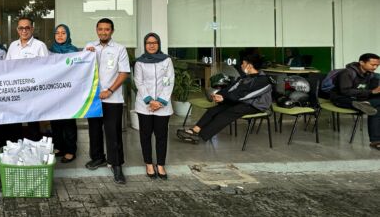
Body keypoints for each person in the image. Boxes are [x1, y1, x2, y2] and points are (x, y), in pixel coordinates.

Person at [177, 53, 272, 143]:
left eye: (243, 63)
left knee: (227, 113)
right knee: (215, 109)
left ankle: (201, 136)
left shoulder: (263, 80)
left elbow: (245, 95)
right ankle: (195, 130)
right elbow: (232, 89)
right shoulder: (245, 77)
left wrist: (224, 99)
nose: (241, 65)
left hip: (256, 105)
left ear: (249, 66)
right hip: (243, 101)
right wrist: (219, 94)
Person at [83, 18, 130, 184]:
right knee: (94, 131)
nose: (103, 32)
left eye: (107, 29)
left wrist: (109, 90)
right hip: (94, 99)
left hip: (113, 99)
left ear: (112, 31)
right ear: (96, 30)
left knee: (113, 133)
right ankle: (97, 158)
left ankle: (116, 165)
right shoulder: (90, 47)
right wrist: (85, 55)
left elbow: (124, 73)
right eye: (100, 29)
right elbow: (82, 68)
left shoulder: (119, 49)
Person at [133, 33, 174, 179]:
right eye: (148, 43)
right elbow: (139, 82)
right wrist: (150, 101)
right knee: (145, 135)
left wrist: (160, 102)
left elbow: (168, 81)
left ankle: (161, 164)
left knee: (161, 136)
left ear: (159, 44)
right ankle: (149, 163)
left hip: (163, 106)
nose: (151, 45)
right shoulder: (139, 62)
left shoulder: (166, 60)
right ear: (145, 45)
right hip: (144, 105)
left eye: (155, 42)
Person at [5, 17, 49, 140]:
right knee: (15, 122)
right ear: (17, 30)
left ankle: (34, 151)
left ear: (32, 29)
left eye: (27, 27)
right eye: (21, 28)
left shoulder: (40, 46)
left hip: (33, 92)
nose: (24, 31)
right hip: (16, 91)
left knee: (33, 124)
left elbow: (46, 70)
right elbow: (7, 68)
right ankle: (16, 148)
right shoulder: (13, 46)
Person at [329, 53, 380, 150]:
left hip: (360, 99)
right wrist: (371, 92)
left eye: (377, 65)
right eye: (372, 64)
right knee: (376, 107)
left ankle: (367, 104)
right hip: (342, 98)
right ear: (361, 62)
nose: (375, 67)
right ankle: (375, 141)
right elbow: (345, 91)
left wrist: (375, 91)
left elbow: (373, 91)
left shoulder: (372, 75)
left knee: (376, 105)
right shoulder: (347, 73)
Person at [49, 24, 79, 164]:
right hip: (54, 93)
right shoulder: (50, 52)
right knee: (55, 122)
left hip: (69, 93)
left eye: (63, 33)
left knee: (68, 123)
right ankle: (59, 147)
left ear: (68, 35)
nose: (60, 35)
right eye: (57, 33)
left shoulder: (73, 52)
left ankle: (70, 150)